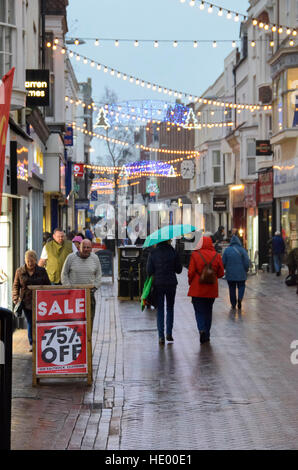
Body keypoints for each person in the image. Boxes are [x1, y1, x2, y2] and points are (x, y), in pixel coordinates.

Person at [188, 236, 224, 344]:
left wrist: (191, 282)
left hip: (197, 288)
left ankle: (202, 329)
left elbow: (191, 272)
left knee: (199, 311)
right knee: (208, 311)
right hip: (211, 289)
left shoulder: (195, 255)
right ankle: (207, 333)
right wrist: (212, 276)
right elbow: (221, 273)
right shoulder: (217, 256)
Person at [13, 250, 50, 351]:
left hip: (40, 301)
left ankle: (41, 341)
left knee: (39, 322)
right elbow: (16, 286)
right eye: (28, 261)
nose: (30, 263)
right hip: (26, 301)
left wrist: (48, 298)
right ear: (25, 260)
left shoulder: (42, 271)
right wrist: (15, 298)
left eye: (32, 261)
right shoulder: (20, 271)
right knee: (30, 322)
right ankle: (32, 343)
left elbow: (48, 285)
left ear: (35, 260)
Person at [146, 240, 182, 345]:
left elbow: (149, 271)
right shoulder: (173, 252)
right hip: (171, 283)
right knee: (170, 308)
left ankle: (161, 336)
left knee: (160, 309)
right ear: (168, 240)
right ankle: (169, 333)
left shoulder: (153, 253)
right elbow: (179, 270)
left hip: (158, 284)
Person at [61, 239, 102, 325]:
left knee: (89, 319)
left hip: (89, 294)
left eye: (88, 247)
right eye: (84, 247)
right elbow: (64, 274)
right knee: (74, 320)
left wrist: (95, 287)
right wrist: (68, 287)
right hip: (73, 295)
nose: (86, 249)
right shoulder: (71, 257)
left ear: (91, 248)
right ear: (79, 247)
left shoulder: (95, 258)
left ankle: (89, 338)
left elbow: (99, 275)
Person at [222, 235, 250, 310]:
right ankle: (240, 299)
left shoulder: (227, 250)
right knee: (241, 286)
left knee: (232, 288)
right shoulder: (242, 250)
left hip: (230, 273)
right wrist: (246, 268)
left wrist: (225, 268)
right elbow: (247, 261)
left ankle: (233, 304)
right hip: (241, 273)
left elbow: (223, 262)